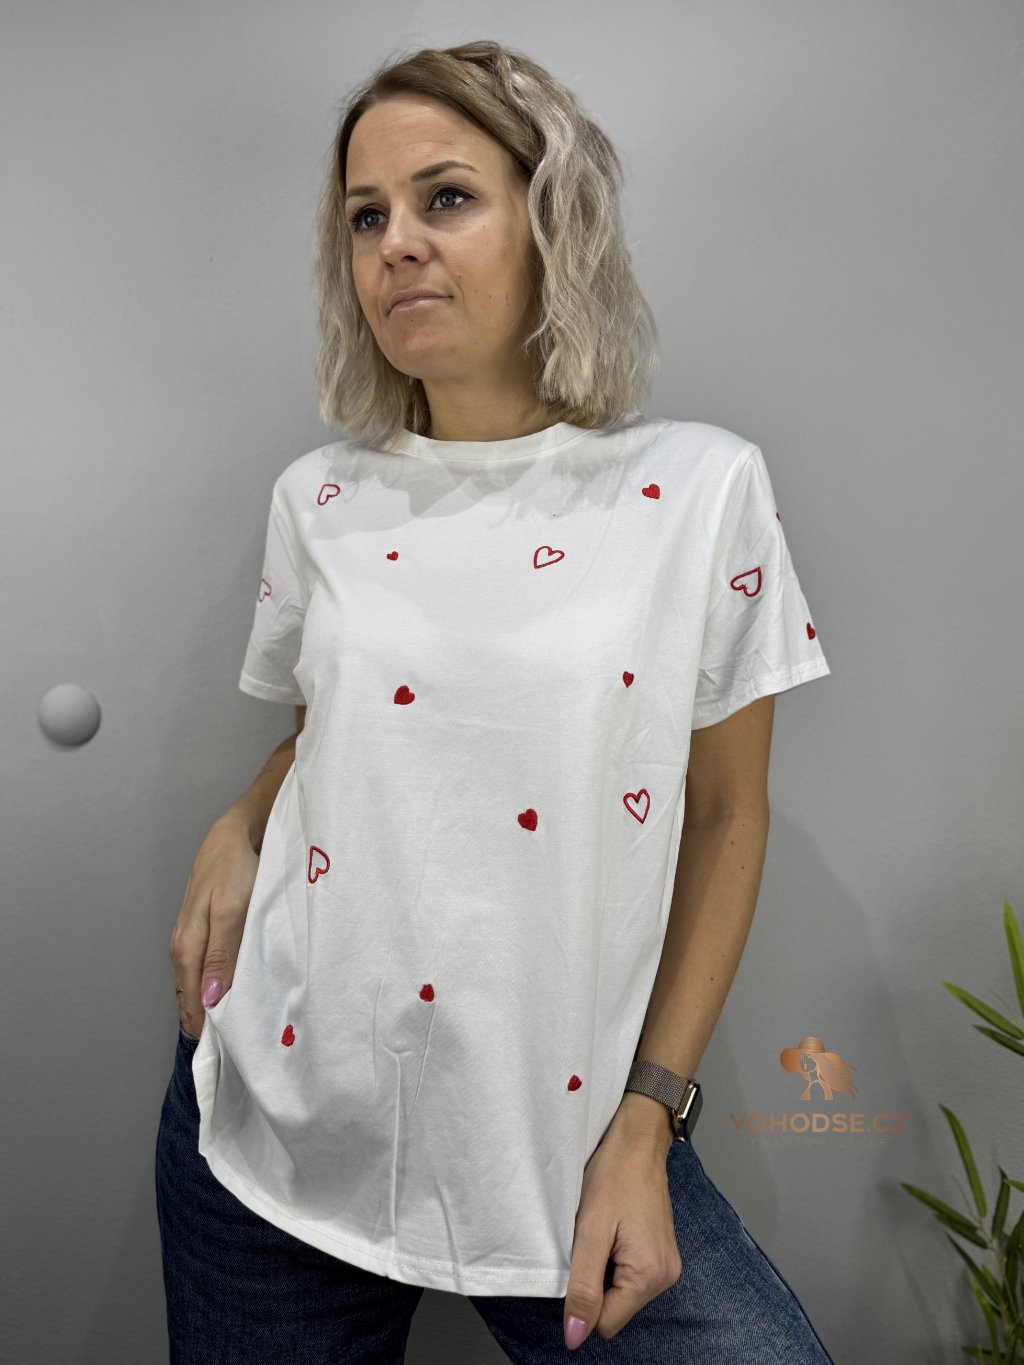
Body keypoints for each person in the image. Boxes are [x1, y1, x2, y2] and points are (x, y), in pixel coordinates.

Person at [156, 38, 836, 1363]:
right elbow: (339, 738)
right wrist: (241, 821)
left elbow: (724, 815)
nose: (398, 243)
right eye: (367, 217)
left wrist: (648, 1119)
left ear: (552, 223)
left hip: (564, 1145)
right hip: (282, 1125)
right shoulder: (319, 500)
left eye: (447, 198)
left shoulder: (699, 491)